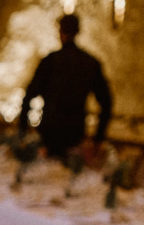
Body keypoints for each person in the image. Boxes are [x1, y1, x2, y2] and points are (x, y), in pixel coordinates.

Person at [18, 14, 113, 160]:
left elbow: (29, 95)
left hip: (49, 131)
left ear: (60, 31)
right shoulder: (90, 63)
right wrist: (98, 137)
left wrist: (23, 130)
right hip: (74, 133)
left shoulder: (50, 61)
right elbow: (106, 102)